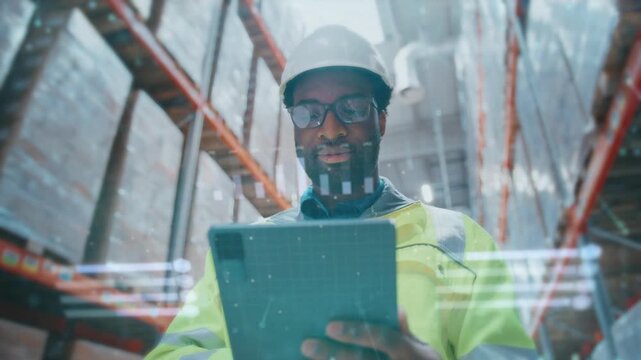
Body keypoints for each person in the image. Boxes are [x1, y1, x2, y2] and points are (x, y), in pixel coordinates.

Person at [146, 25, 537, 360]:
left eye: (351, 108)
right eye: (309, 113)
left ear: (381, 121)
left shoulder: (457, 241)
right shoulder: (248, 252)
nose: (329, 129)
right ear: (296, 129)